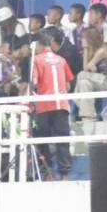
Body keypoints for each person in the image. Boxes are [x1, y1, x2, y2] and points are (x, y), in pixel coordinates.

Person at [31, 32, 74, 180]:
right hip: (62, 105)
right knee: (62, 140)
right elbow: (68, 85)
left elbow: (34, 82)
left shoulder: (36, 60)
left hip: (44, 106)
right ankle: (64, 176)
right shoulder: (61, 60)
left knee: (41, 139)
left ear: (38, 44)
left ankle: (47, 173)